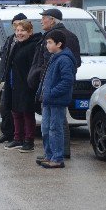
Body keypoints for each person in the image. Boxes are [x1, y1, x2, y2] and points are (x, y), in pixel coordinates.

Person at [28, 8, 81, 159]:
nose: (41, 21)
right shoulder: (66, 35)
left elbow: (71, 63)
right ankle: (53, 153)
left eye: (44, 18)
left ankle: (58, 154)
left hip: (55, 88)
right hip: (50, 86)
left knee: (56, 125)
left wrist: (47, 79)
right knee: (51, 124)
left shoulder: (60, 38)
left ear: (52, 20)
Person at [36, 31, 76, 169]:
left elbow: (67, 81)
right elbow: (46, 77)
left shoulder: (64, 59)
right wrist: (41, 92)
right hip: (48, 100)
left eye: (49, 42)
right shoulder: (54, 56)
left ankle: (57, 158)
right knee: (45, 128)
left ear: (59, 44)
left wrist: (52, 93)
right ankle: (49, 155)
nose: (47, 45)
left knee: (55, 129)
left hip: (57, 101)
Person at [3, 20, 42, 153]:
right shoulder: (17, 45)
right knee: (16, 112)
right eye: (17, 31)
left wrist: (30, 84)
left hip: (27, 86)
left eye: (22, 31)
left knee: (27, 113)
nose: (19, 33)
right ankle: (17, 138)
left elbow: (34, 68)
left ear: (30, 32)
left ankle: (28, 141)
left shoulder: (33, 46)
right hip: (15, 85)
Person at [0, 12, 27, 144]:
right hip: (9, 79)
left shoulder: (26, 41)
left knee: (19, 110)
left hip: (20, 81)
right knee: (5, 107)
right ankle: (7, 133)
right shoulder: (10, 39)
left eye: (20, 24)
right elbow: (4, 57)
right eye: (15, 24)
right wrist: (2, 74)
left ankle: (21, 136)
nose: (17, 27)